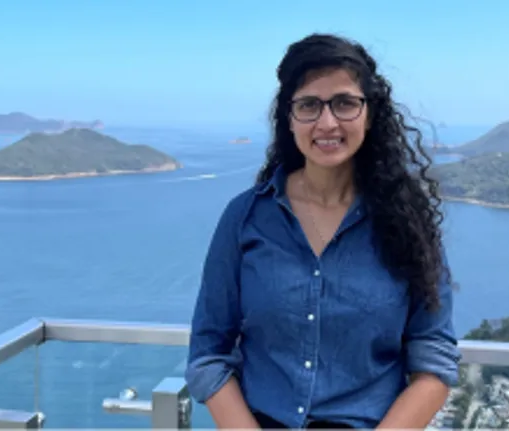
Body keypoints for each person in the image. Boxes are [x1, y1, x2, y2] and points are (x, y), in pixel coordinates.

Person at [185, 33, 461, 429]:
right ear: (289, 116)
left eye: (345, 103)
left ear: (369, 113)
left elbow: (433, 354)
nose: (327, 122)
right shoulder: (246, 218)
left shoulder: (407, 223)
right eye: (309, 105)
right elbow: (209, 352)